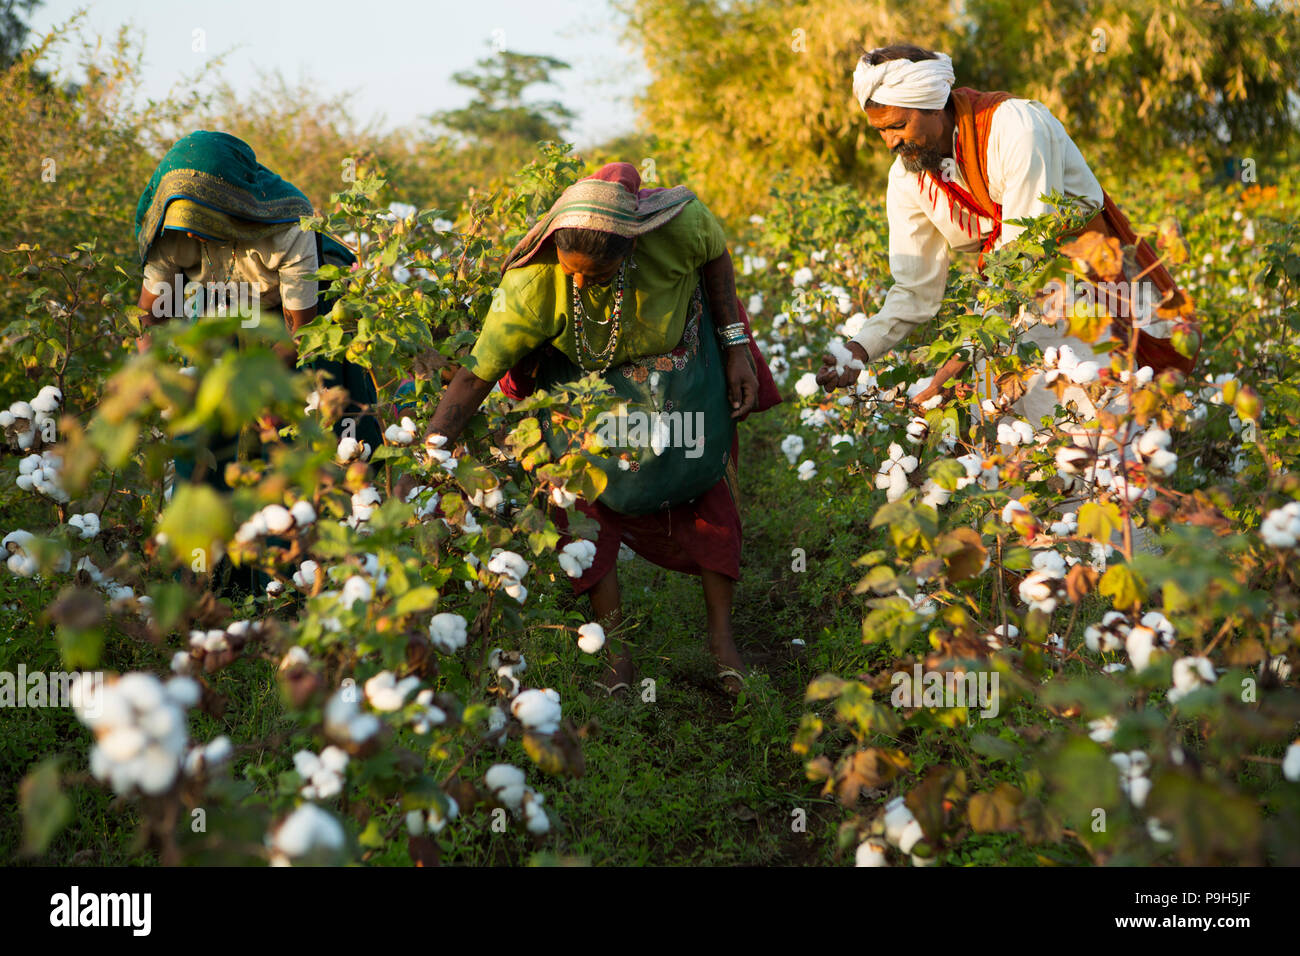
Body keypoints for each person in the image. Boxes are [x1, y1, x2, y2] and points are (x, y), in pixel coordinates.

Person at [424, 162, 781, 697]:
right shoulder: (536, 282)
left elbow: (717, 263)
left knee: (705, 496)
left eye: (595, 273)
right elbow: (475, 378)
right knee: (587, 510)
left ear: (633, 248)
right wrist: (428, 455)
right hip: (583, 395)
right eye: (571, 268)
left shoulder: (683, 227)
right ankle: (617, 653)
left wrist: (734, 347)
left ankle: (722, 642)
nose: (578, 281)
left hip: (680, 379)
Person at [816, 44, 1198, 426]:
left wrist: (965, 354)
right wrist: (860, 348)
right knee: (1013, 446)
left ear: (934, 104)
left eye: (898, 126)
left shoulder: (1016, 126)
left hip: (1087, 290)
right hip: (1009, 308)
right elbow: (916, 289)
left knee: (1092, 430)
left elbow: (1026, 255)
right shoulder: (907, 178)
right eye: (880, 131)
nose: (890, 143)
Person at [133, 129, 380, 493]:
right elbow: (152, 318)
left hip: (305, 314)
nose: (193, 236)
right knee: (199, 420)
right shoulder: (172, 235)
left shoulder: (287, 229)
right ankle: (204, 523)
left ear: (230, 211)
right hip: (224, 306)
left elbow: (302, 334)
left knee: (309, 411)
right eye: (186, 226)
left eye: (202, 224)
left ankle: (318, 521)